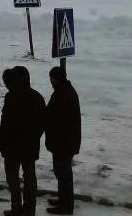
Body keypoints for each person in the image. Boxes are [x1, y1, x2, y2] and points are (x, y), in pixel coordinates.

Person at [0, 66, 47, 216]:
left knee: (13, 178)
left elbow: (6, 122)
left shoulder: (11, 97)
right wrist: (34, 136)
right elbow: (43, 122)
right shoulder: (37, 97)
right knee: (29, 177)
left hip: (12, 146)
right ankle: (29, 208)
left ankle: (16, 207)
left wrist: (1, 141)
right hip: (30, 145)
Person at [45, 67, 82, 215]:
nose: (51, 81)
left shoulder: (64, 94)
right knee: (61, 173)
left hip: (63, 142)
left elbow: (58, 120)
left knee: (64, 174)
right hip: (63, 141)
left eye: (52, 78)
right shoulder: (64, 91)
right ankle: (63, 199)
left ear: (56, 79)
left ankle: (66, 205)